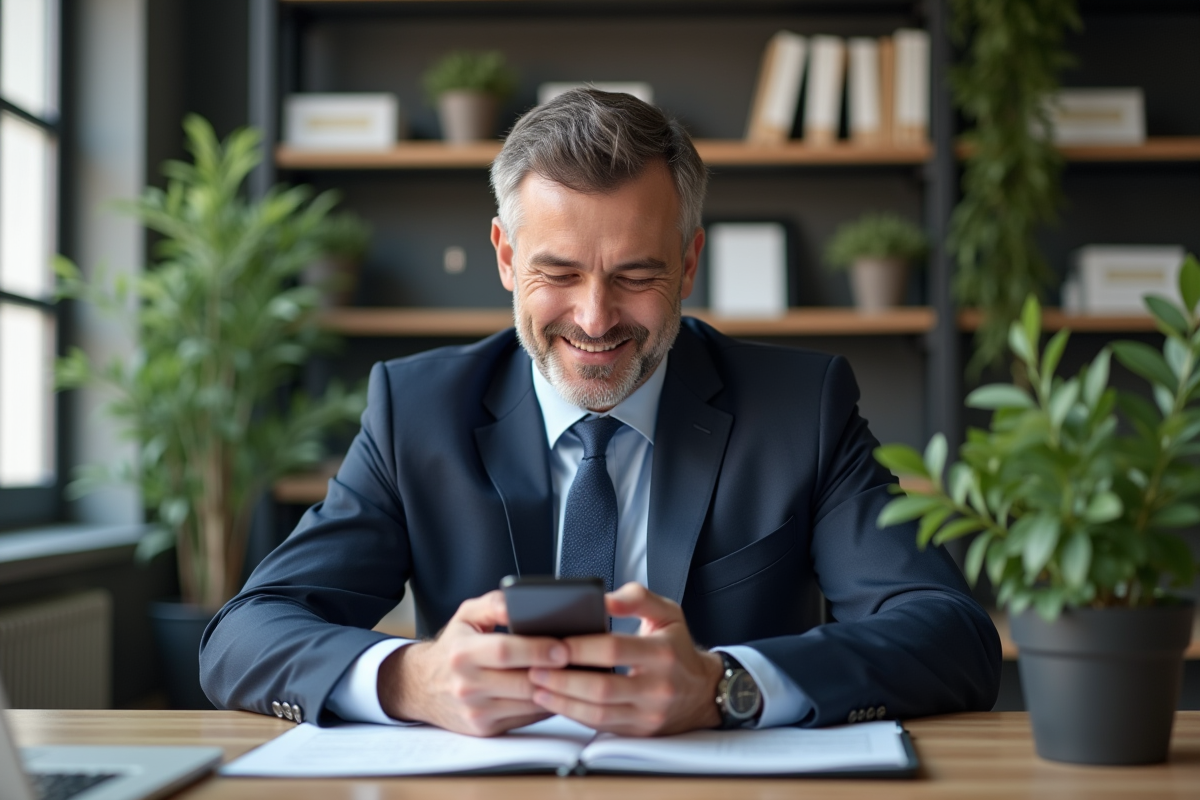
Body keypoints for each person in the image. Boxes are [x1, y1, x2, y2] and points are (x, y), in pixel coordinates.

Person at [200, 89, 1000, 736]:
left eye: (635, 276)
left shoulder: (803, 407)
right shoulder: (417, 410)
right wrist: (413, 678)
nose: (593, 318)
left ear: (689, 263)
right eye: (559, 272)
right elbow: (245, 634)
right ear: (507, 258)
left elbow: (949, 635)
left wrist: (728, 687)